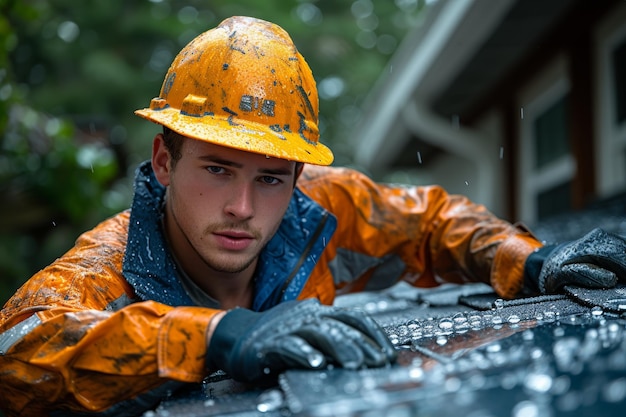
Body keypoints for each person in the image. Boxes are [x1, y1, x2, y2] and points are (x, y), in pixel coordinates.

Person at [1, 15, 625, 417]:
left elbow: (430, 221)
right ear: (164, 160)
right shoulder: (107, 269)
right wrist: (215, 337)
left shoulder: (321, 212)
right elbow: (17, 348)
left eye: (269, 178)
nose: (243, 209)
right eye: (217, 169)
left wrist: (529, 260)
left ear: (298, 177)